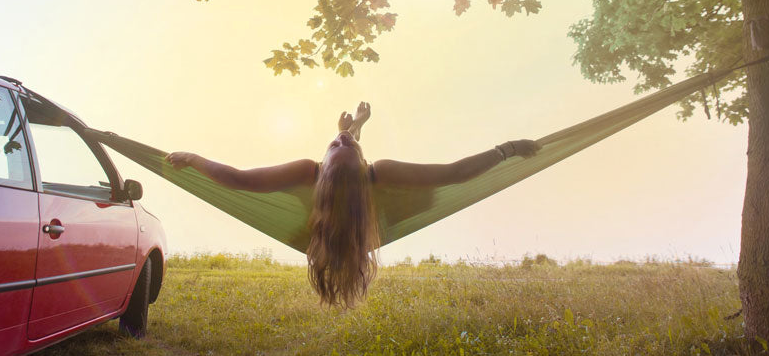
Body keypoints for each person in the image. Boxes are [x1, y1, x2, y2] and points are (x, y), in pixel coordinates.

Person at [166, 102, 539, 308]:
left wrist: (194, 158)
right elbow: (454, 173)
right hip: (357, 222)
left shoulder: (311, 171)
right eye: (341, 142)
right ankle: (357, 128)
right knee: (350, 151)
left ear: (324, 166)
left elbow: (239, 179)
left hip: (345, 225)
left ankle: (355, 129)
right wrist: (506, 149)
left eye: (337, 143)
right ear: (363, 163)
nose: (341, 139)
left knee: (353, 159)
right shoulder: (374, 172)